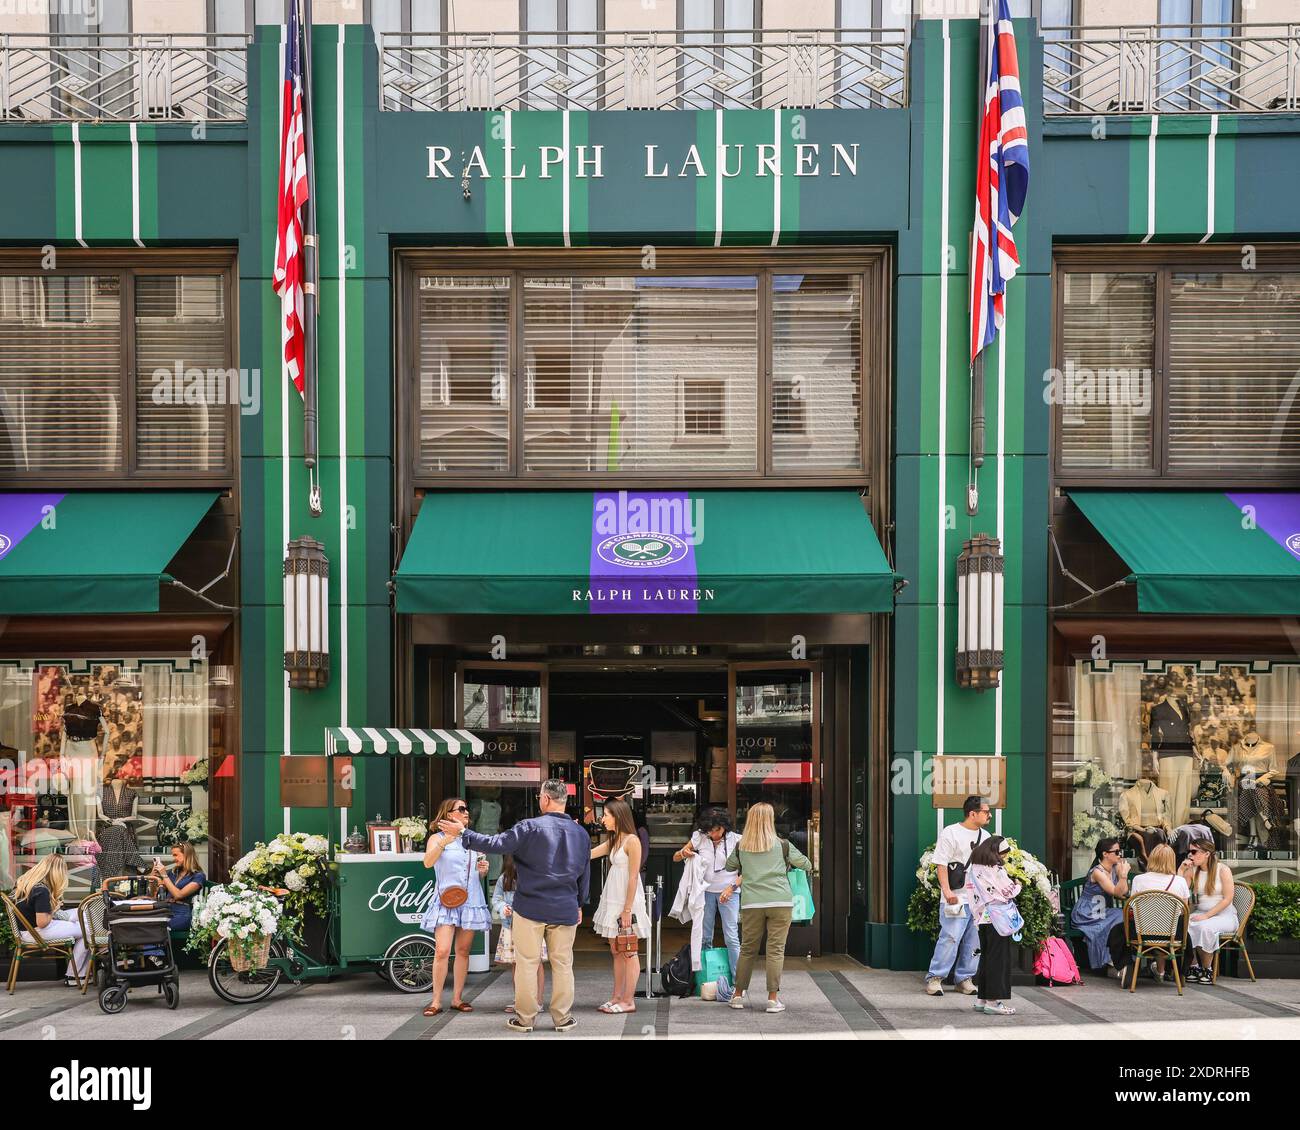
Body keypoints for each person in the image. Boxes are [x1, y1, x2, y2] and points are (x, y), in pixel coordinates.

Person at [442, 778, 591, 1034]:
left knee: (527, 964)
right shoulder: (581, 833)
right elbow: (585, 874)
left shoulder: (529, 827)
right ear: (563, 800)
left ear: (545, 799)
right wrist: (579, 904)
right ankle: (562, 1018)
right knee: (563, 965)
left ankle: (525, 1019)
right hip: (565, 906)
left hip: (530, 907)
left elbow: (495, 844)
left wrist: (463, 833)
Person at [724, 801, 812, 1014]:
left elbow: (729, 866)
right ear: (770, 820)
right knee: (775, 950)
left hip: (752, 903)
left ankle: (737, 996)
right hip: (780, 902)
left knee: (747, 950)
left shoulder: (741, 846)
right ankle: (773, 999)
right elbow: (807, 864)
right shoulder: (782, 845)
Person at [420, 796, 492, 1017]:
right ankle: (435, 1001)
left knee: (463, 951)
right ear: (449, 814)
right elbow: (427, 862)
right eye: (461, 809)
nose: (466, 812)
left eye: (466, 808)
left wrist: (483, 870)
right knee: (442, 950)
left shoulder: (473, 839)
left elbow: (478, 874)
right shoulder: (436, 838)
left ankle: (457, 998)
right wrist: (444, 842)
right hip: (446, 900)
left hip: (470, 900)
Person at [924, 795, 991, 997]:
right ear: (972, 813)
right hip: (956, 897)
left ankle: (964, 978)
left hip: (978, 900)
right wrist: (947, 891)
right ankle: (935, 978)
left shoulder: (986, 837)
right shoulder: (951, 833)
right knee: (950, 937)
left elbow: (988, 868)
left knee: (974, 941)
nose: (989, 815)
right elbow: (941, 863)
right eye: (985, 812)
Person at [588, 797, 650, 1014]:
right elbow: (588, 854)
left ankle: (628, 1000)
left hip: (627, 902)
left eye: (606, 814)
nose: (603, 819)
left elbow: (633, 877)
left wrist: (627, 909)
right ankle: (617, 997)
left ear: (618, 816)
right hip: (613, 899)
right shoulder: (614, 839)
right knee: (616, 950)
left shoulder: (632, 840)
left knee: (629, 950)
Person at [673, 807, 742, 977]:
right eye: (709, 830)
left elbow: (747, 870)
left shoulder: (737, 840)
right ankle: (704, 977)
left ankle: (738, 980)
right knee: (704, 936)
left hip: (730, 891)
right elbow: (676, 857)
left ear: (724, 826)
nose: (712, 834)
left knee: (731, 936)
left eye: (716, 830)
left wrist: (732, 888)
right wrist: (684, 853)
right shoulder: (700, 837)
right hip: (706, 892)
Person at [11, 855, 88, 987]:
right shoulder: (41, 890)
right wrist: (54, 909)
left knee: (83, 916)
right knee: (89, 929)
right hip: (37, 932)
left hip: (27, 930)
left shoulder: (26, 883)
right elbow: (42, 922)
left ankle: (77, 973)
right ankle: (75, 976)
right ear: (57, 873)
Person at [965, 836, 1021, 1017]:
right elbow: (1009, 890)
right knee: (999, 960)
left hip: (982, 918)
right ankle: (993, 1001)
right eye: (1002, 854)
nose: (1003, 858)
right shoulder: (994, 869)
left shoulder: (974, 868)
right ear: (996, 852)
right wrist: (1018, 885)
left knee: (988, 958)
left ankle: (983, 999)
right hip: (998, 919)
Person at [1127, 843, 1190, 983]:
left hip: (1142, 932)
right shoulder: (1180, 882)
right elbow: (1184, 911)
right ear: (1172, 860)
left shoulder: (1139, 880)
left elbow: (1132, 907)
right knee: (1185, 935)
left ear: (1152, 858)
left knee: (1117, 932)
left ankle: (1125, 969)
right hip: (1172, 935)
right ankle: (1172, 973)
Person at [1178, 838, 1238, 984]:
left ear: (1207, 854)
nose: (1190, 855)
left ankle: (1207, 969)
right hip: (1201, 912)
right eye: (1189, 852)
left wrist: (1206, 916)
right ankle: (1193, 966)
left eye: (1194, 851)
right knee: (1184, 926)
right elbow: (1180, 891)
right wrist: (1181, 871)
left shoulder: (1223, 870)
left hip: (1224, 914)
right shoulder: (1192, 870)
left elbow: (1228, 899)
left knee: (1205, 927)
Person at [490, 855, 545, 1015]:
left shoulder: (535, 876)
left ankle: (538, 1000)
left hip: (532, 925)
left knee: (536, 963)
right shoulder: (505, 879)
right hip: (511, 926)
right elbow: (497, 899)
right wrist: (503, 907)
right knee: (516, 963)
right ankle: (520, 999)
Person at [1070, 837, 1131, 981]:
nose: (1119, 855)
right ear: (1105, 854)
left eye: (1120, 851)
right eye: (1116, 852)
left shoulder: (1115, 869)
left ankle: (1116, 961)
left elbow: (1123, 893)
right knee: (1119, 917)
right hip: (1087, 913)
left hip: (1102, 912)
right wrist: (1123, 876)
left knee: (1124, 915)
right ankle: (1112, 962)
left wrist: (1122, 876)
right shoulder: (1098, 872)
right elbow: (1116, 892)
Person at [152, 842, 206, 930]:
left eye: (176, 855)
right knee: (145, 924)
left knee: (156, 929)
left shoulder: (198, 876)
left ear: (187, 855)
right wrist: (152, 878)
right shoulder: (173, 873)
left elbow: (179, 895)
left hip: (182, 913)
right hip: (166, 909)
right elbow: (155, 894)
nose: (174, 859)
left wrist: (164, 875)